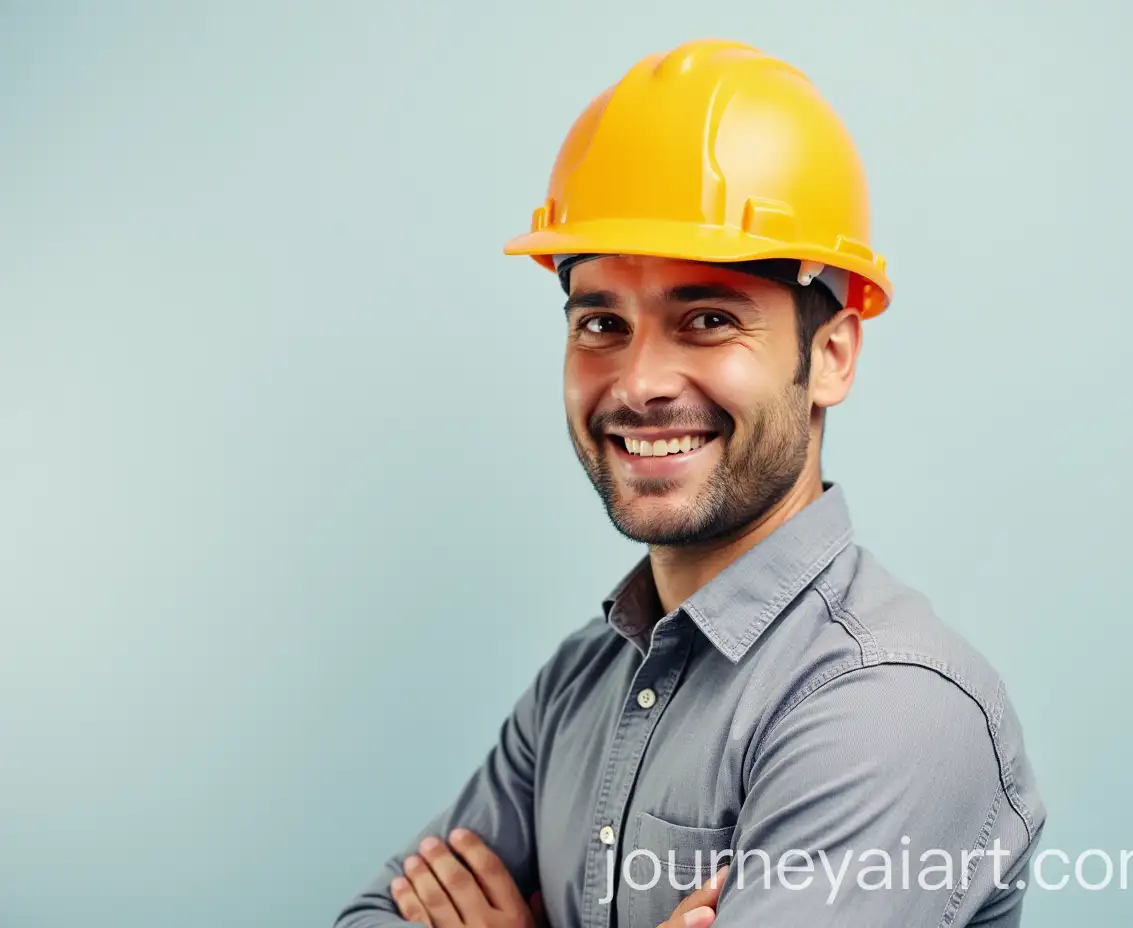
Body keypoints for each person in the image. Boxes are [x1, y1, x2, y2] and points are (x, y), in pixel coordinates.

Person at [334, 38, 1046, 928]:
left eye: (708, 319)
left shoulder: (888, 707)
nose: (637, 383)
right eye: (600, 321)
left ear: (829, 356)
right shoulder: (580, 684)